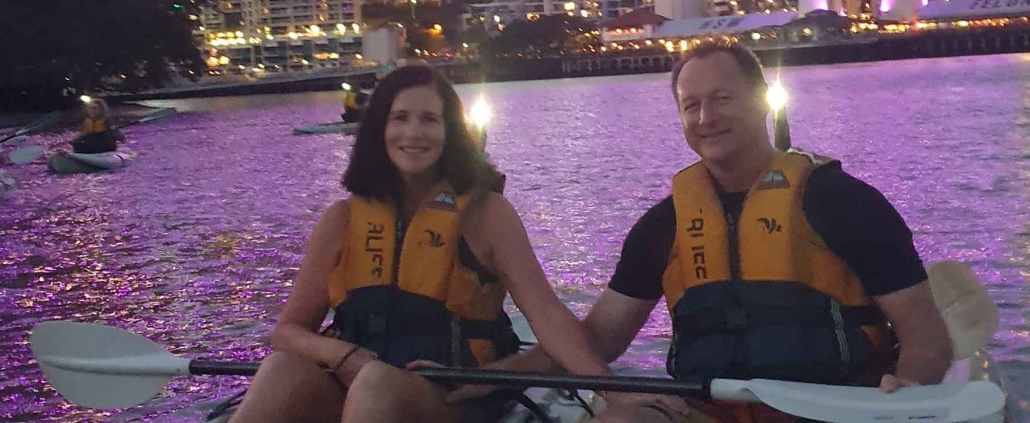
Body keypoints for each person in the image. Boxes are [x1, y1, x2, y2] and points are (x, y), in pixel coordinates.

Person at [486, 39, 953, 422]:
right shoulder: (663, 225)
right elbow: (595, 341)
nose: (706, 118)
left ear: (761, 99)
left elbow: (924, 331)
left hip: (832, 411)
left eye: (722, 99)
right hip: (705, 414)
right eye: (692, 106)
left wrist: (909, 385)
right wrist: (476, 379)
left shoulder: (845, 203)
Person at [229, 65, 612, 423]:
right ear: (379, 129)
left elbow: (548, 316)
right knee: (281, 369)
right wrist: (344, 355)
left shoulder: (487, 214)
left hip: (454, 397)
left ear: (450, 133)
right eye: (400, 118)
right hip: (357, 377)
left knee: (377, 384)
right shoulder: (342, 219)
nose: (413, 133)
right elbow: (288, 331)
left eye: (429, 119)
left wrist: (610, 393)